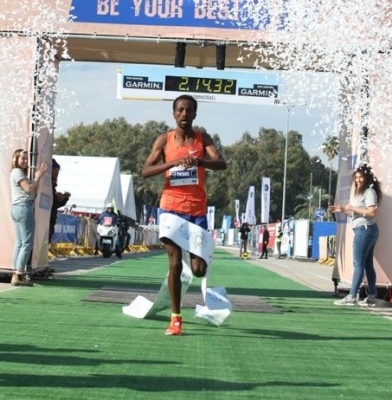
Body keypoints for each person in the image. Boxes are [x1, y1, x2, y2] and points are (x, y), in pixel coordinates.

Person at [141, 94, 227, 335]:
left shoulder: (203, 138)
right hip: (170, 208)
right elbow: (145, 170)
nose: (184, 115)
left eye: (188, 110)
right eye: (180, 110)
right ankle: (176, 317)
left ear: (195, 114)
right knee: (175, 263)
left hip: (197, 210)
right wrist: (172, 163)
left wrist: (200, 162)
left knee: (198, 269)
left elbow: (222, 163)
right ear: (173, 113)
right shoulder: (164, 140)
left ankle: (198, 258)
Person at [330, 164, 382, 306]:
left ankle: (352, 296)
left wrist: (353, 207)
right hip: (367, 229)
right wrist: (343, 210)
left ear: (367, 178)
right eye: (356, 178)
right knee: (367, 264)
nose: (358, 180)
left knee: (358, 264)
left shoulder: (369, 192)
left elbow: (372, 213)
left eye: (361, 177)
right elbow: (356, 214)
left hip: (365, 229)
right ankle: (372, 296)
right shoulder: (362, 193)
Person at [10, 149, 48, 286]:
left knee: (20, 243)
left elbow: (33, 191)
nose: (25, 161)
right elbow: (28, 189)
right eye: (23, 158)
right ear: (15, 159)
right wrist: (37, 177)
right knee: (26, 243)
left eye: (27, 159)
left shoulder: (19, 173)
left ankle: (16, 273)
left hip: (19, 207)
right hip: (23, 208)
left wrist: (36, 179)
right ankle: (18, 274)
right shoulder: (17, 172)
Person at [49, 158, 71, 243]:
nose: (56, 172)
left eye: (58, 170)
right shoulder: (47, 184)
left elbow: (55, 204)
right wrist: (56, 197)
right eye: (54, 170)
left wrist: (64, 198)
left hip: (51, 221)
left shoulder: (53, 185)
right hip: (45, 220)